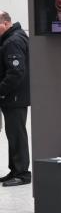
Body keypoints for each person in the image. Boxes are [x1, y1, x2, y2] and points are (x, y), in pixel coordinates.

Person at [0, 11, 31, 187]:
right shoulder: (13, 37)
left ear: (5, 23)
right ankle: (15, 170)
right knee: (13, 134)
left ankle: (22, 174)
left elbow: (16, 72)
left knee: (17, 135)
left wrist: (1, 90)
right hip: (13, 96)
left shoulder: (13, 41)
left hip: (14, 96)